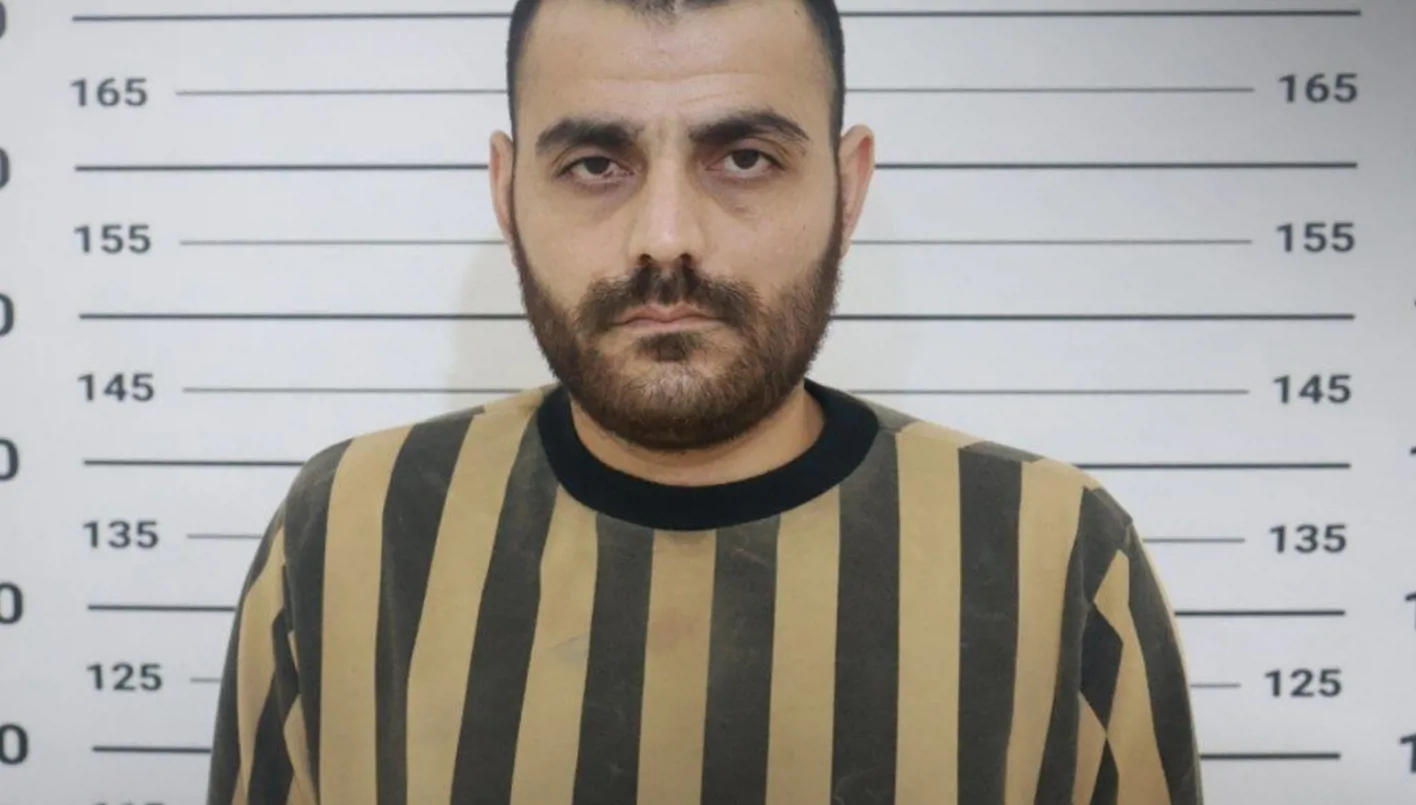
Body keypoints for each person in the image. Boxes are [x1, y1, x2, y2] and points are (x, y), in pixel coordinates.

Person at [206, 0, 1204, 802]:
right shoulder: (347, 527)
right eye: (596, 164)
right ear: (507, 191)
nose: (666, 236)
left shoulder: (1055, 551)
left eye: (745, 157)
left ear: (848, 188)